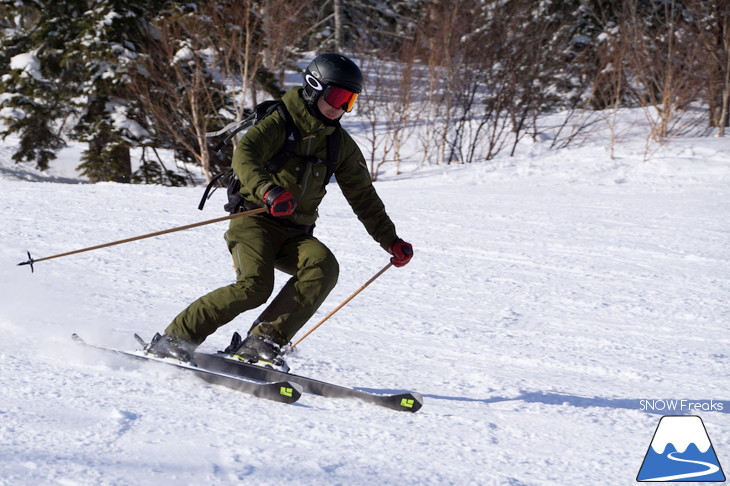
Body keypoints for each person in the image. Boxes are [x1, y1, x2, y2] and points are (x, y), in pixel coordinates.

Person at [147, 53, 413, 370]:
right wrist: (268, 191)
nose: (341, 108)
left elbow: (363, 195)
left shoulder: (338, 143)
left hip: (295, 233)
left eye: (349, 101)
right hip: (253, 220)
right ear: (315, 88)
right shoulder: (280, 121)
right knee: (255, 287)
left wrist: (390, 239)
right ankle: (174, 339)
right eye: (338, 97)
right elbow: (244, 156)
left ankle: (262, 341)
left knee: (322, 265)